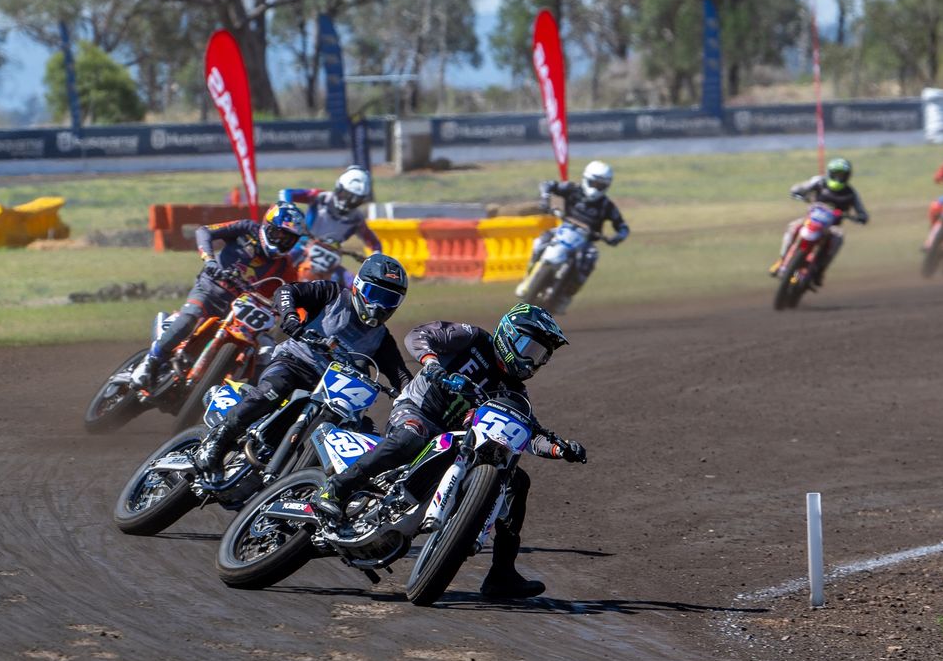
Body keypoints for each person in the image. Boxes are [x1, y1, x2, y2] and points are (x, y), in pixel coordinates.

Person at [312, 303, 588, 599]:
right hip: (418, 410)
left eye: (541, 355)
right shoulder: (472, 338)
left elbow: (526, 437)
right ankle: (336, 489)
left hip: (457, 442)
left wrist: (559, 449)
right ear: (510, 334)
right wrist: (431, 363)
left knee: (518, 482)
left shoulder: (516, 394)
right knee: (411, 438)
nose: (533, 361)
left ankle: (501, 573)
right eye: (530, 348)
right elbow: (418, 336)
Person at [192, 254, 413, 474]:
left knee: (362, 428)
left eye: (389, 300)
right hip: (294, 363)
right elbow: (287, 291)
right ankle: (218, 439)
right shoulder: (332, 293)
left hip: (332, 393)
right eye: (375, 294)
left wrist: (412, 399)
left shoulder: (382, 339)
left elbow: (402, 376)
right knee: (273, 389)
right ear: (358, 285)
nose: (379, 305)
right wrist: (290, 317)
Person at [129, 202, 306, 389]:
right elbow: (204, 232)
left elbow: (293, 295)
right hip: (210, 289)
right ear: (268, 226)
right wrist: (210, 261)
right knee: (190, 317)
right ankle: (151, 361)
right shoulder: (246, 228)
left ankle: (248, 399)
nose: (281, 241)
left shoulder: (286, 267)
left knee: (267, 351)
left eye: (288, 239)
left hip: (244, 313)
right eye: (279, 234)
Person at [515, 160, 630, 313]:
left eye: (600, 186)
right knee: (540, 241)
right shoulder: (572, 189)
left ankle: (566, 296)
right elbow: (547, 184)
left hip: (586, 240)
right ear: (586, 179)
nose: (596, 189)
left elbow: (623, 226)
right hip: (564, 229)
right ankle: (528, 277)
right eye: (594, 183)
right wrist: (545, 198)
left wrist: (617, 237)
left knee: (590, 258)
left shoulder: (606, 205)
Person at [770, 157, 869, 287]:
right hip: (812, 219)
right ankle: (782, 260)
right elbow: (799, 188)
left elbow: (862, 212)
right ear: (830, 173)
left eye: (842, 175)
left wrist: (860, 217)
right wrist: (798, 193)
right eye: (836, 174)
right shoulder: (819, 182)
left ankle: (819, 271)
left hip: (832, 226)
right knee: (793, 227)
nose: (838, 178)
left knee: (837, 239)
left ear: (847, 176)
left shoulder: (851, 193)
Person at [278, 165, 383, 254]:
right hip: (301, 246)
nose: (348, 202)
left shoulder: (356, 219)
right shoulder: (321, 197)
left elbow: (374, 244)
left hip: (329, 259)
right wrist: (287, 209)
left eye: (356, 200)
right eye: (346, 195)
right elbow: (286, 193)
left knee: (346, 278)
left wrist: (376, 255)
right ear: (339, 187)